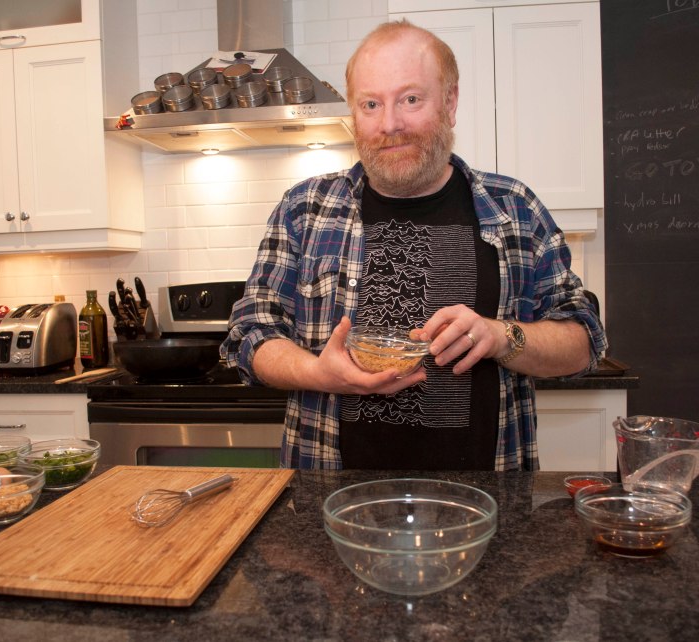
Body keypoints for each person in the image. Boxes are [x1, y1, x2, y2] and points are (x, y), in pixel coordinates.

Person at [220, 19, 608, 471]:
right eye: (371, 104)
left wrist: (502, 337)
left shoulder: (515, 208)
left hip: (486, 497)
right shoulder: (305, 209)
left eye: (410, 99)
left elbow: (584, 341)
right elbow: (250, 332)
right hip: (330, 496)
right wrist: (318, 373)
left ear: (450, 102)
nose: (390, 124)